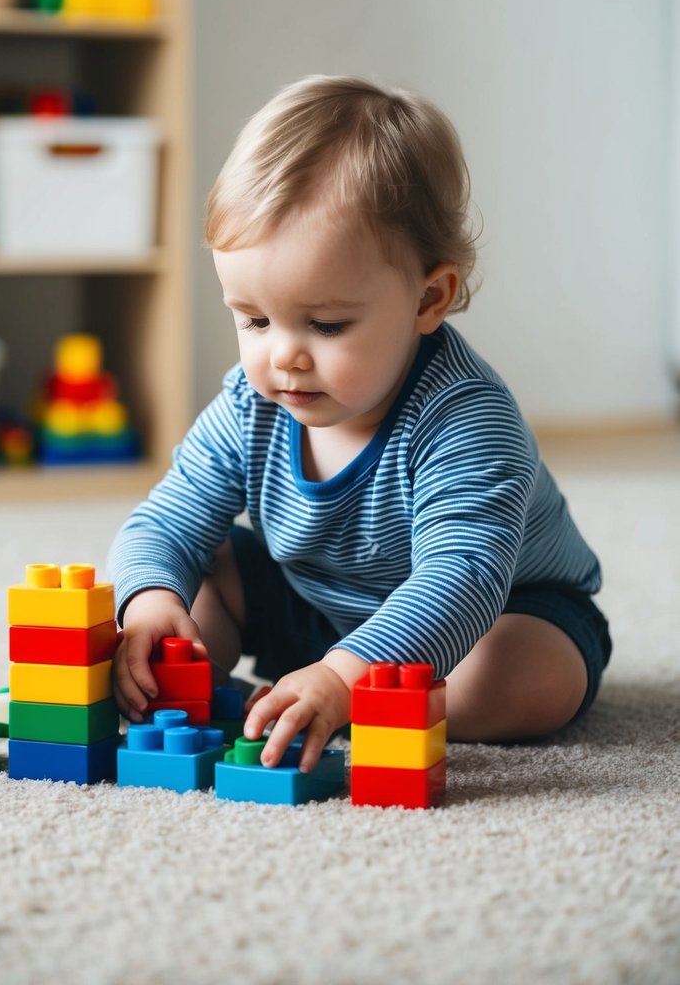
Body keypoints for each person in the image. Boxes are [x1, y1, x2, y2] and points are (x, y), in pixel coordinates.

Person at [107, 75, 612, 773]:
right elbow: (166, 519)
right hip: (317, 605)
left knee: (527, 674)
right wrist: (150, 601)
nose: (281, 354)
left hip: (491, 615)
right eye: (253, 319)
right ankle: (220, 689)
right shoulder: (250, 403)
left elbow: (460, 577)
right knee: (200, 567)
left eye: (326, 323)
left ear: (428, 298)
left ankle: (359, 699)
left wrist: (347, 678)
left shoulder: (466, 420)